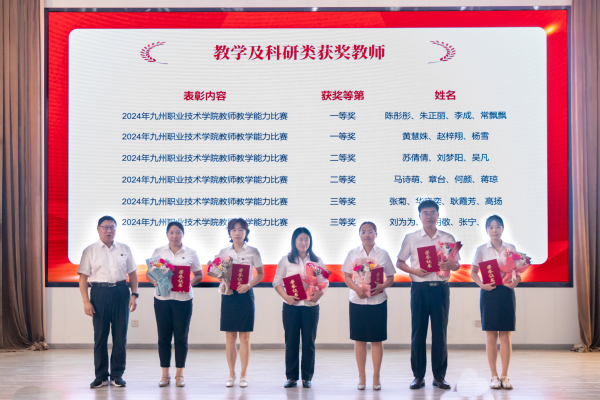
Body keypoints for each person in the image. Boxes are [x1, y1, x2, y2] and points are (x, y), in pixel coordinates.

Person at [396, 200, 460, 390]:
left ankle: (439, 377)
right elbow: (400, 262)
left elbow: (457, 264)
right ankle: (418, 376)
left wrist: (449, 265)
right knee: (418, 332)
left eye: (433, 212)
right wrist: (414, 271)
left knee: (440, 333)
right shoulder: (411, 238)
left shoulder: (447, 238)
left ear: (438, 215)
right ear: (420, 216)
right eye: (425, 213)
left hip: (440, 289)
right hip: (419, 289)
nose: (429, 216)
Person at [78, 216, 138, 388]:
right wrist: (86, 301)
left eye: (112, 227)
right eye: (105, 227)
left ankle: (117, 375)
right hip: (99, 293)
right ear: (98, 229)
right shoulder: (90, 251)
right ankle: (101, 376)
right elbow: (83, 278)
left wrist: (134, 295)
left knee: (120, 336)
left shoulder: (124, 248)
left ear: (116, 229)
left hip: (121, 292)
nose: (109, 230)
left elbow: (133, 274)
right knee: (100, 337)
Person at [147, 222, 203, 387]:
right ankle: (165, 374)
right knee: (163, 337)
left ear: (183, 234)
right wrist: (155, 282)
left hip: (183, 300)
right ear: (167, 234)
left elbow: (199, 275)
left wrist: (189, 284)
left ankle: (180, 374)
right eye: (171, 232)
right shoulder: (158, 252)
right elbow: (149, 274)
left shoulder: (191, 253)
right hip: (162, 300)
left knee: (181, 337)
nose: (174, 236)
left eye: (178, 232)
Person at [341, 221, 396, 391]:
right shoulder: (352, 253)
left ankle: (376, 376)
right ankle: (361, 376)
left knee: (377, 339)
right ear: (359, 235)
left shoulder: (383, 254)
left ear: (376, 235)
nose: (367, 235)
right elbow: (347, 277)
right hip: (357, 300)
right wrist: (357, 289)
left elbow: (391, 278)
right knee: (359, 340)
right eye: (363, 232)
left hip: (378, 301)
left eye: (370, 231)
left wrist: (381, 287)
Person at [273, 227, 329, 389]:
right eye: (300, 239)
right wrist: (286, 297)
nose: (304, 242)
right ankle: (291, 377)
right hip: (291, 306)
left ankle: (307, 377)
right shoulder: (286, 260)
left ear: (310, 241)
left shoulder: (317, 260)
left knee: (308, 342)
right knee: (291, 342)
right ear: (294, 241)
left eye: (306, 239)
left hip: (311, 306)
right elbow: (276, 282)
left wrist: (320, 293)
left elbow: (325, 281)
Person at [471, 215, 522, 390]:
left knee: (505, 334)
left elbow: (517, 271)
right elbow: (473, 272)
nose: (495, 230)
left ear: (502, 229)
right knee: (491, 334)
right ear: (486, 230)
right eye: (491, 227)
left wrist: (517, 280)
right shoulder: (481, 249)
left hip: (506, 292)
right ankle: (493, 376)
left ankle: (505, 376)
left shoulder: (510, 248)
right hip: (489, 293)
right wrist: (482, 285)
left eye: (498, 226)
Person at [217, 218, 264, 388]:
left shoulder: (253, 251)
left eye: (241, 229)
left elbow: (261, 274)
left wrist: (248, 285)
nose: (237, 233)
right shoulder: (223, 252)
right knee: (230, 337)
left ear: (246, 232)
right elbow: (219, 273)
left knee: (244, 337)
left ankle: (243, 375)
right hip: (229, 295)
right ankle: (231, 374)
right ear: (229, 232)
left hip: (245, 295)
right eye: (234, 229)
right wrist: (221, 278)